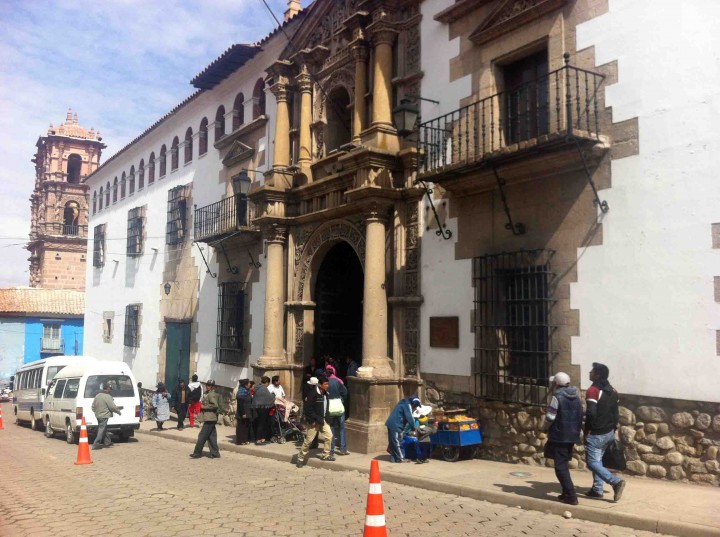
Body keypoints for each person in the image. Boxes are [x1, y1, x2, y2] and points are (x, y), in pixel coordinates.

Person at [584, 362, 626, 501]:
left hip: (597, 433)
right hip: (609, 432)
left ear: (597, 375)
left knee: (592, 463)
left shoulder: (593, 391)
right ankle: (597, 489)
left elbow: (591, 413)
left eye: (592, 371)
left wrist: (587, 430)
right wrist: (613, 428)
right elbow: (616, 413)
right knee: (598, 460)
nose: (589, 372)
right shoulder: (613, 391)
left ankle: (615, 482)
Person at [542, 372, 583, 506]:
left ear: (556, 384)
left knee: (560, 467)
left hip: (559, 435)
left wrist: (544, 428)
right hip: (572, 435)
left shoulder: (557, 397)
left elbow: (550, 417)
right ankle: (566, 493)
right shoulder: (577, 397)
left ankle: (571, 495)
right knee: (563, 464)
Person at [296, 375, 333, 467]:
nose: (327, 385)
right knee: (308, 441)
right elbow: (308, 409)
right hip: (314, 421)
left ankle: (326, 454)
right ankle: (300, 458)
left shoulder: (325, 393)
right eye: (325, 384)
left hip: (323, 420)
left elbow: (326, 406)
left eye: (328, 384)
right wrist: (312, 420)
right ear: (320, 385)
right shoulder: (312, 394)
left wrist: (327, 417)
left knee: (329, 436)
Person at [190, 380, 221, 459]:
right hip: (209, 418)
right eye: (207, 385)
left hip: (210, 418)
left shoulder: (211, 395)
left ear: (213, 387)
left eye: (210, 385)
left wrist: (204, 407)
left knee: (202, 436)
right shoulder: (207, 394)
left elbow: (215, 405)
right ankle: (215, 453)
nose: (208, 386)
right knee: (211, 437)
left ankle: (197, 453)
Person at [385, 396, 421, 463]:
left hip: (394, 424)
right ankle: (401, 458)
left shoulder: (404, 403)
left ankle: (394, 458)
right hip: (395, 425)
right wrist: (415, 428)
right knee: (397, 442)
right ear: (413, 404)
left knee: (394, 441)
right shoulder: (407, 405)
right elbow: (410, 418)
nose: (415, 408)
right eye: (416, 406)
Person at [91, 381, 123, 450]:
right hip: (104, 416)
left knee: (103, 428)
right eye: (110, 389)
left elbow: (93, 406)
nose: (111, 390)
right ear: (107, 388)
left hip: (98, 415)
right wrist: (118, 412)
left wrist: (96, 412)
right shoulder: (107, 397)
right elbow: (112, 407)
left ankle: (107, 442)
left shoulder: (97, 395)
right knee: (101, 430)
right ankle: (96, 444)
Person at [326, 365, 349, 456]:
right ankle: (343, 449)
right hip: (339, 407)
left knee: (331, 428)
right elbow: (345, 392)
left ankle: (331, 451)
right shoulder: (337, 381)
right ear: (333, 372)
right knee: (341, 428)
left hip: (330, 408)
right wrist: (341, 400)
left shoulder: (325, 383)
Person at [251, 376, 275, 445]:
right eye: (268, 383)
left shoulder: (257, 387)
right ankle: (258, 440)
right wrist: (273, 394)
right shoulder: (264, 389)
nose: (268, 385)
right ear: (267, 382)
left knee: (261, 423)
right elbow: (270, 398)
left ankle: (262, 439)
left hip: (257, 407)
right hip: (263, 409)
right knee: (261, 424)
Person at [235, 379, 254, 445]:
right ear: (246, 385)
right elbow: (240, 404)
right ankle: (240, 441)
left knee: (246, 427)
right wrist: (243, 413)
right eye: (249, 383)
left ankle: (245, 440)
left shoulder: (247, 391)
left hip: (247, 411)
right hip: (242, 412)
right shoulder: (241, 392)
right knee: (241, 427)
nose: (250, 384)